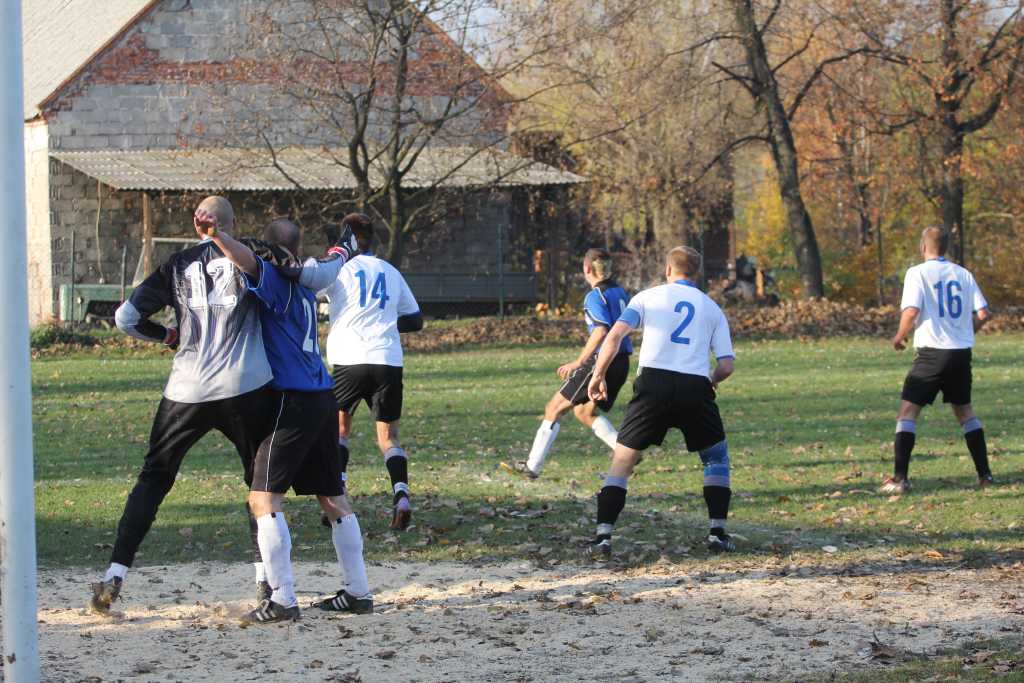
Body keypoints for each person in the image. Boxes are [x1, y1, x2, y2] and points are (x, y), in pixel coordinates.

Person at [91, 196, 280, 613]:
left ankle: (114, 575)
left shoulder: (176, 264)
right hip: (245, 383)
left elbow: (125, 318)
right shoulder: (253, 253)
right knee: (259, 484)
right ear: (234, 223)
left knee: (154, 477)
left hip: (187, 387)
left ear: (197, 226)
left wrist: (167, 336)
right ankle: (265, 582)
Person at [204, 216, 374, 624]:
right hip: (323, 395)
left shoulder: (277, 280)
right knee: (332, 497)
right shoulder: (308, 281)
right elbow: (330, 262)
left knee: (263, 499)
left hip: (293, 400)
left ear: (271, 251)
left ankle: (282, 599)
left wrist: (218, 236)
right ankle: (358, 591)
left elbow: (245, 261)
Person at [586, 246, 736, 558]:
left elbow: (614, 336)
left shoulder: (647, 297)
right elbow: (726, 365)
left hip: (653, 384)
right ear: (696, 273)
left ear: (668, 270)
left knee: (623, 460)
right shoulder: (712, 308)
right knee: (715, 458)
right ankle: (717, 533)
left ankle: (603, 536)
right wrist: (711, 381)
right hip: (694, 386)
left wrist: (598, 375)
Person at [322, 214, 423, 530]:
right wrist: (385, 322)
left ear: (346, 238)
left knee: (340, 431)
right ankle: (401, 495)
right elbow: (415, 319)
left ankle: (338, 497)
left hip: (348, 358)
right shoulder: (390, 271)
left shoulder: (338, 268)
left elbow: (309, 289)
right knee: (388, 437)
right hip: (386, 360)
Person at [882, 226, 993, 494]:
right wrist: (965, 332)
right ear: (947, 247)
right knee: (965, 413)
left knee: (907, 413)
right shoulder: (963, 273)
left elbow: (911, 310)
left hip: (932, 354)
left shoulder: (917, 273)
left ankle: (899, 480)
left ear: (923, 247)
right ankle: (985, 476)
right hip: (960, 354)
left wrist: (899, 335)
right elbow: (983, 313)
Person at [517, 248, 632, 478]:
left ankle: (532, 467)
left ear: (587, 268)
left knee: (553, 408)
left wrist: (579, 362)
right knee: (584, 412)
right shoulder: (620, 292)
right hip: (622, 361)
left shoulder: (595, 296)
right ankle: (628, 455)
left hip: (601, 361)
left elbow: (600, 331)